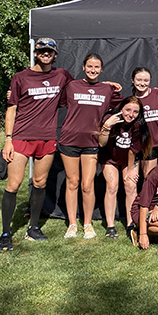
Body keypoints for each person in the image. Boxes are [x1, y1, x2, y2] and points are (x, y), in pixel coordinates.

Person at [0, 38, 73, 251]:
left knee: (40, 182)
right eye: (41, 51)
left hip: (47, 138)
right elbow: (11, 109)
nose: (45, 54)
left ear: (55, 55)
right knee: (14, 184)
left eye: (49, 51)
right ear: (35, 53)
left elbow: (79, 89)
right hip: (21, 137)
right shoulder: (21, 77)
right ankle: (5, 234)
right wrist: (8, 140)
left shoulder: (62, 76)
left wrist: (107, 87)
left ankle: (33, 228)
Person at [58, 53, 122, 240]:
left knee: (88, 185)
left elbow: (128, 105)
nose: (93, 70)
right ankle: (71, 224)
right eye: (89, 67)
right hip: (69, 140)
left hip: (92, 142)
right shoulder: (71, 86)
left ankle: (87, 223)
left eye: (96, 67)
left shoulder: (107, 90)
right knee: (72, 182)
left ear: (101, 69)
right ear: (84, 67)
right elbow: (54, 101)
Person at [98, 96, 152, 239]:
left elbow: (133, 151)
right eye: (128, 110)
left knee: (130, 185)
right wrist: (107, 126)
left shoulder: (138, 125)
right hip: (109, 157)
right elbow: (102, 143)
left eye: (135, 112)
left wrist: (129, 170)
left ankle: (130, 224)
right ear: (121, 108)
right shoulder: (111, 119)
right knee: (112, 186)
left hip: (128, 158)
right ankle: (110, 227)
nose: (131, 114)